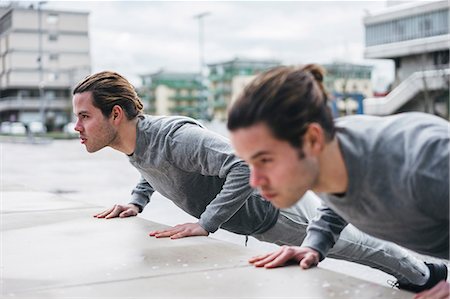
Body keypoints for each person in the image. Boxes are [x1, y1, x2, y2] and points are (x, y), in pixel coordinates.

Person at [73, 70, 438, 293]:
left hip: (273, 211)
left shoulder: (176, 138)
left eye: (85, 116)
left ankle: (424, 276)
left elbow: (241, 165)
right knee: (342, 234)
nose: (78, 127)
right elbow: (150, 167)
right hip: (255, 216)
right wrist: (137, 201)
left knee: (354, 246)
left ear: (116, 114)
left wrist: (206, 223)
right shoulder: (137, 144)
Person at [227, 64, 449, 299]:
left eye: (265, 160)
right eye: (249, 163)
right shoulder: (326, 157)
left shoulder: (424, 162)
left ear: (313, 139)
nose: (254, 180)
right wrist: (313, 245)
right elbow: (336, 192)